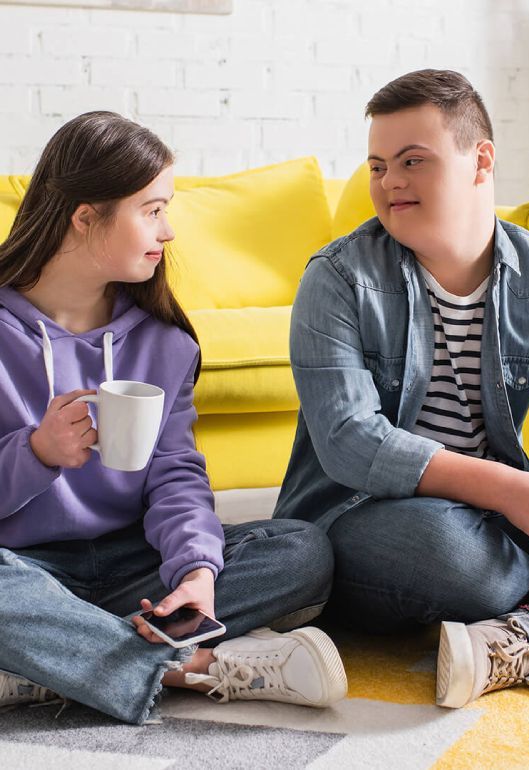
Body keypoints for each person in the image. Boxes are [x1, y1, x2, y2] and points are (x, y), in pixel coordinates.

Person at [0, 111, 347, 725]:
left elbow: (175, 474)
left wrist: (194, 571)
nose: (169, 231)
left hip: (132, 563)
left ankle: (50, 656)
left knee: (301, 549)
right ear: (85, 217)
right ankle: (185, 668)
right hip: (21, 564)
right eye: (152, 210)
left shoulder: (165, 342)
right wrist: (36, 453)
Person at [273, 69, 529, 708]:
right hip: (364, 515)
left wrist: (527, 494)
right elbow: (350, 443)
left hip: (495, 514)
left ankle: (527, 635)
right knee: (457, 558)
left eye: (412, 161)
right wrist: (515, 490)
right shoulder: (337, 279)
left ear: (481, 161)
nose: (389, 182)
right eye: (377, 166)